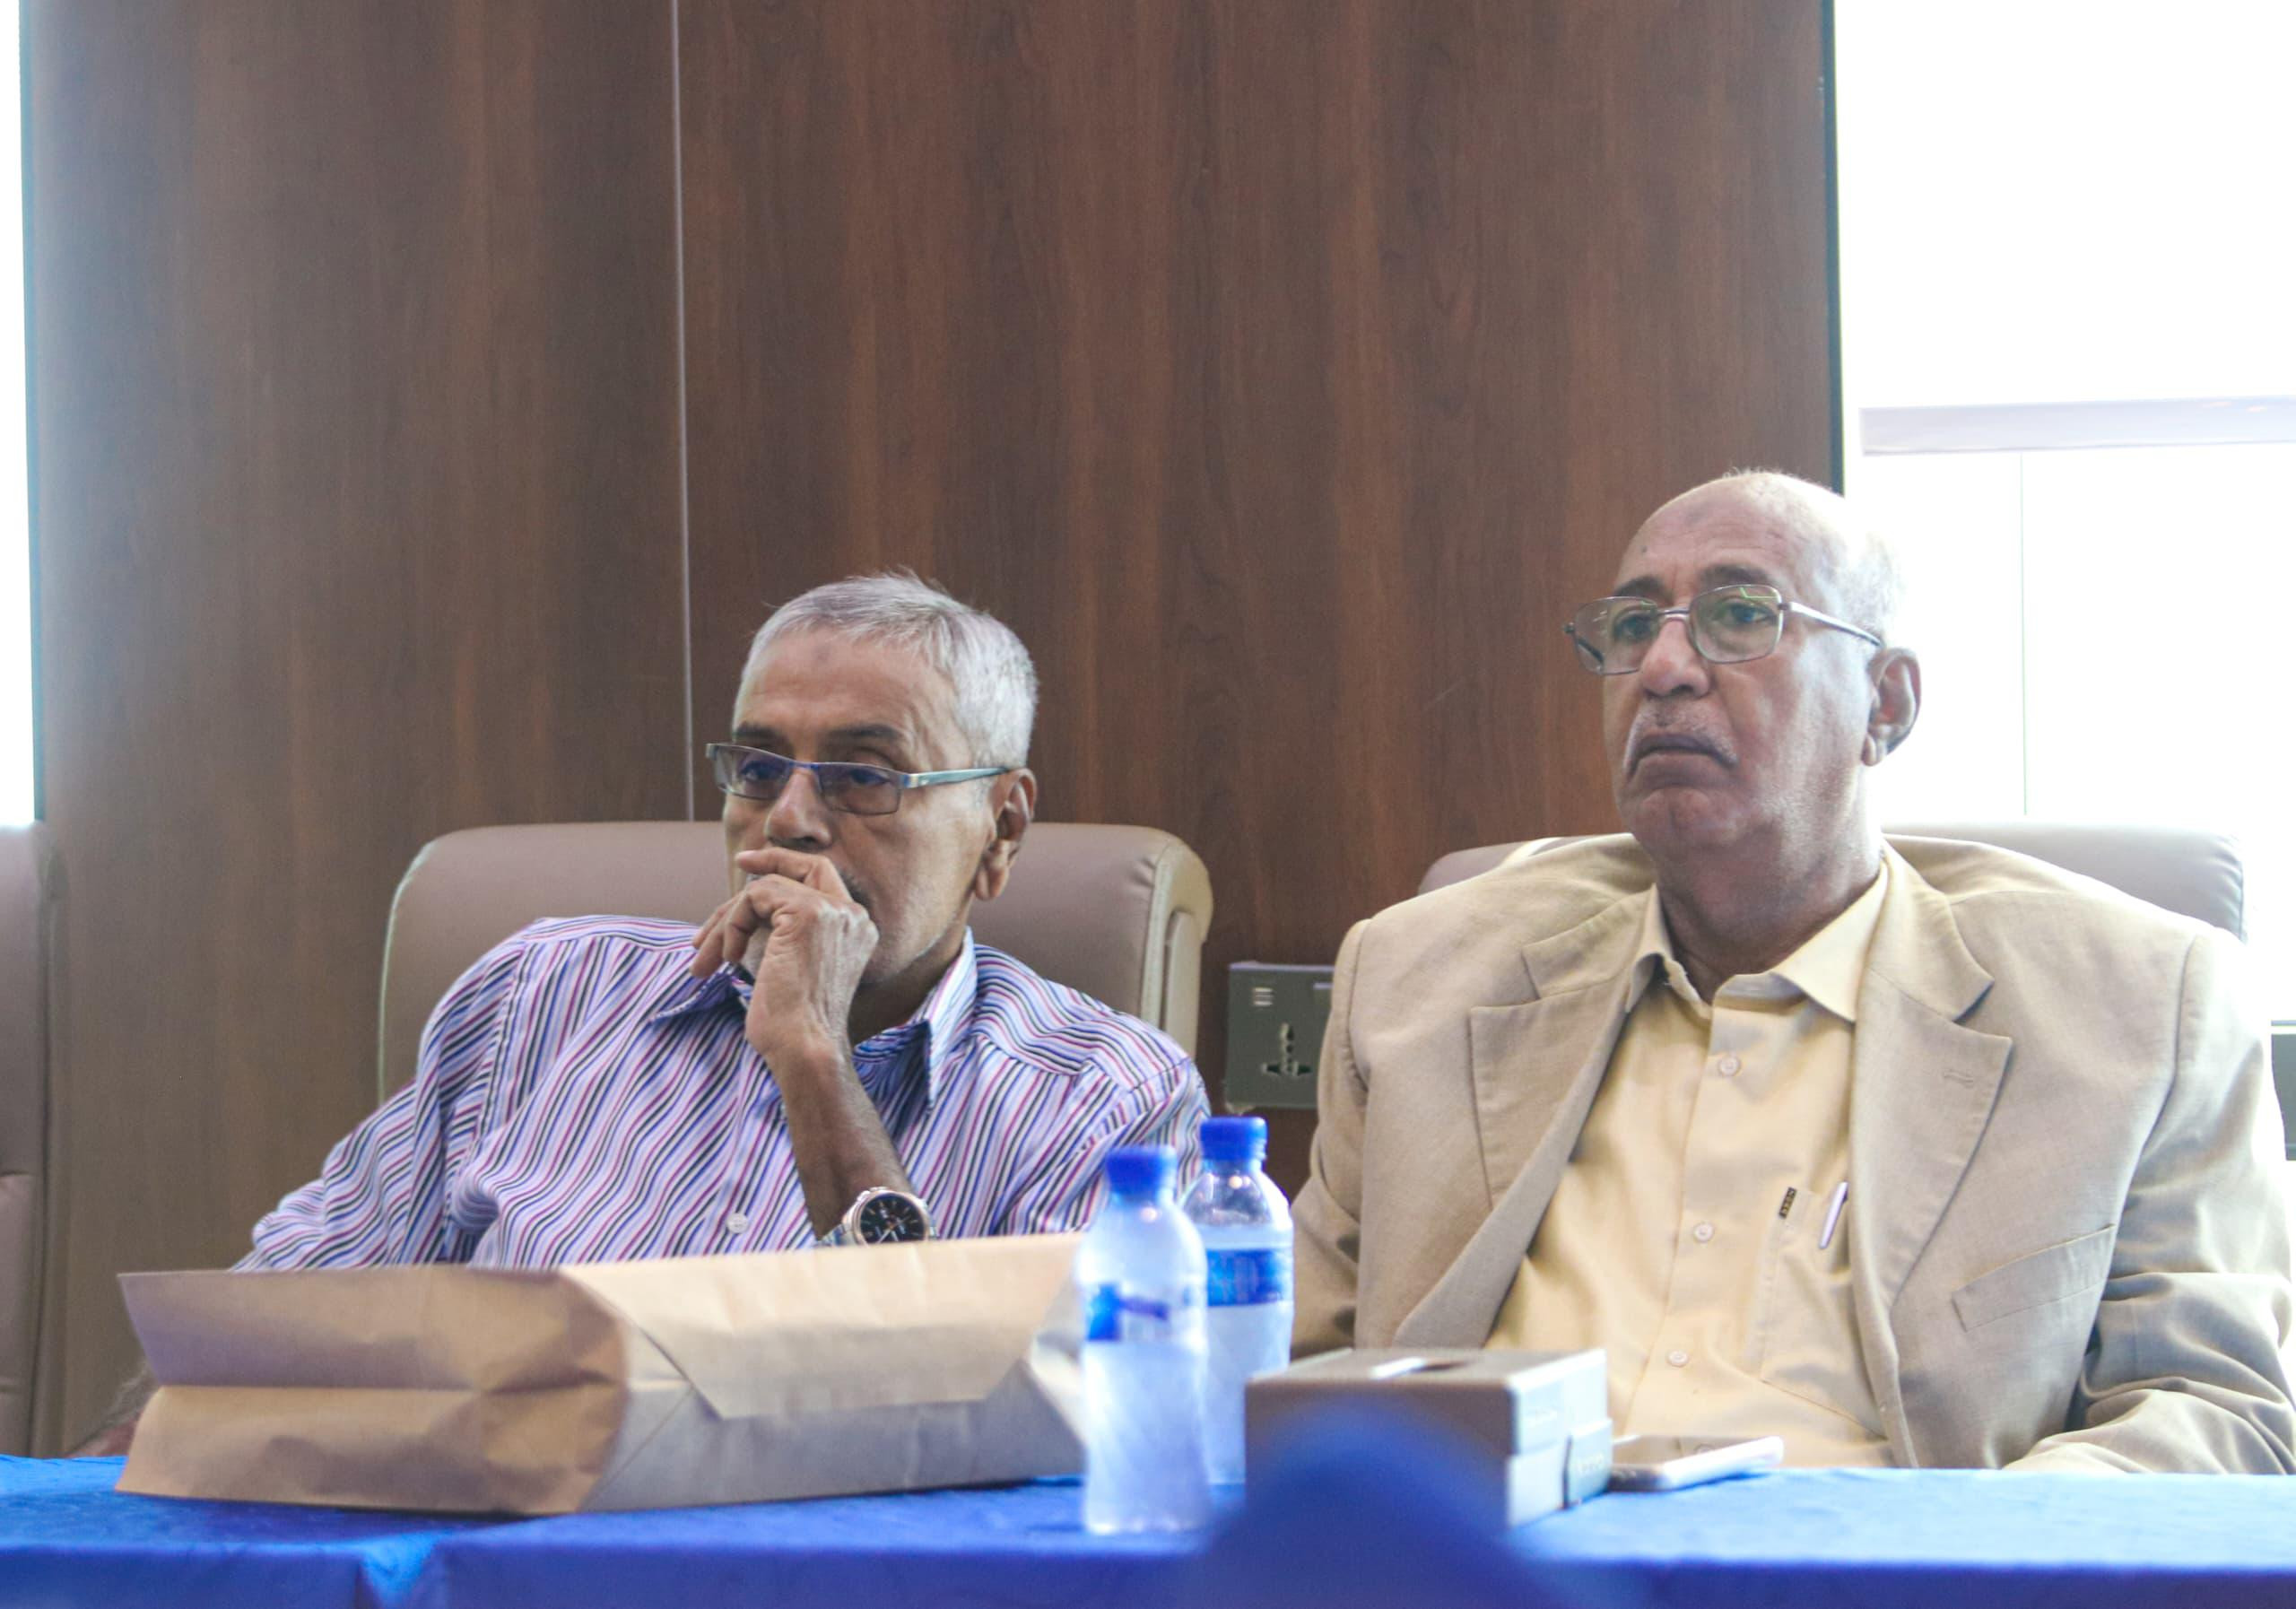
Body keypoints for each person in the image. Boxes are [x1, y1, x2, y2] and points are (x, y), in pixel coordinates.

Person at [1293, 471, 2295, 1472]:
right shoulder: (1417, 980)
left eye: (1740, 615)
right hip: (1475, 1543)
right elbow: (1291, 1363)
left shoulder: (2138, 1010)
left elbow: (2214, 1410)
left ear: (1885, 705)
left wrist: (1968, 1545)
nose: (1663, 668)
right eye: (1633, 627)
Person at [80, 571, 1206, 1451]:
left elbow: (1004, 1435)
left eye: (864, 775)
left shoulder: (1103, 1096)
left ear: (1002, 830)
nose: (791, 820)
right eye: (757, 768)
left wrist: (813, 1059)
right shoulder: (541, 995)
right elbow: (267, 1331)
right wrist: (79, 1510)